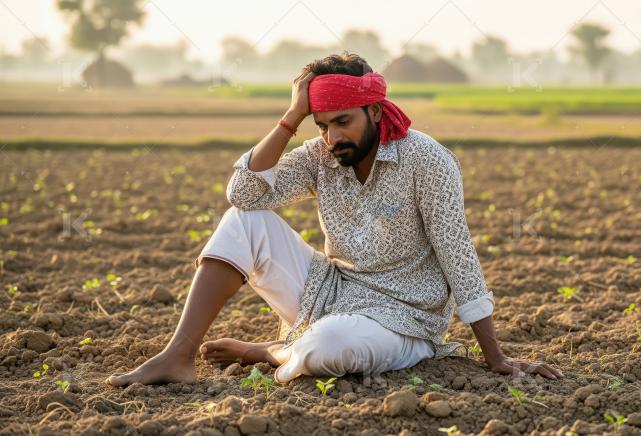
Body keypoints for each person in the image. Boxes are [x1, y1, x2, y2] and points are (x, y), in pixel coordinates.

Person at [106, 52, 563, 387]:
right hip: (330, 290)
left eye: (343, 121)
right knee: (244, 221)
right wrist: (291, 117)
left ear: (376, 111)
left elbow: (459, 256)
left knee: (330, 346)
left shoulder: (427, 160)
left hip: (403, 319)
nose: (333, 137)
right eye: (322, 125)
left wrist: (496, 357)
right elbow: (243, 192)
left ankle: (273, 350)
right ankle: (177, 355)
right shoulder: (321, 156)